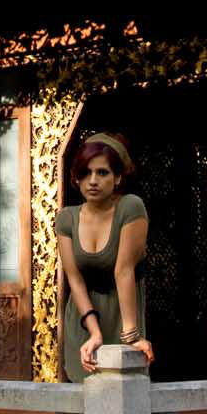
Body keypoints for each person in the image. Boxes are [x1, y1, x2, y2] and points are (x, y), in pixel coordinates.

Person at [55, 131, 154, 379]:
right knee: (83, 388)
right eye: (85, 173)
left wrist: (131, 336)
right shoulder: (66, 218)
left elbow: (123, 270)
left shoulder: (130, 207)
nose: (92, 181)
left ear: (118, 177)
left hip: (123, 313)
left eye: (102, 172)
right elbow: (74, 279)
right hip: (83, 317)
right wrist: (94, 332)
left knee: (125, 385)